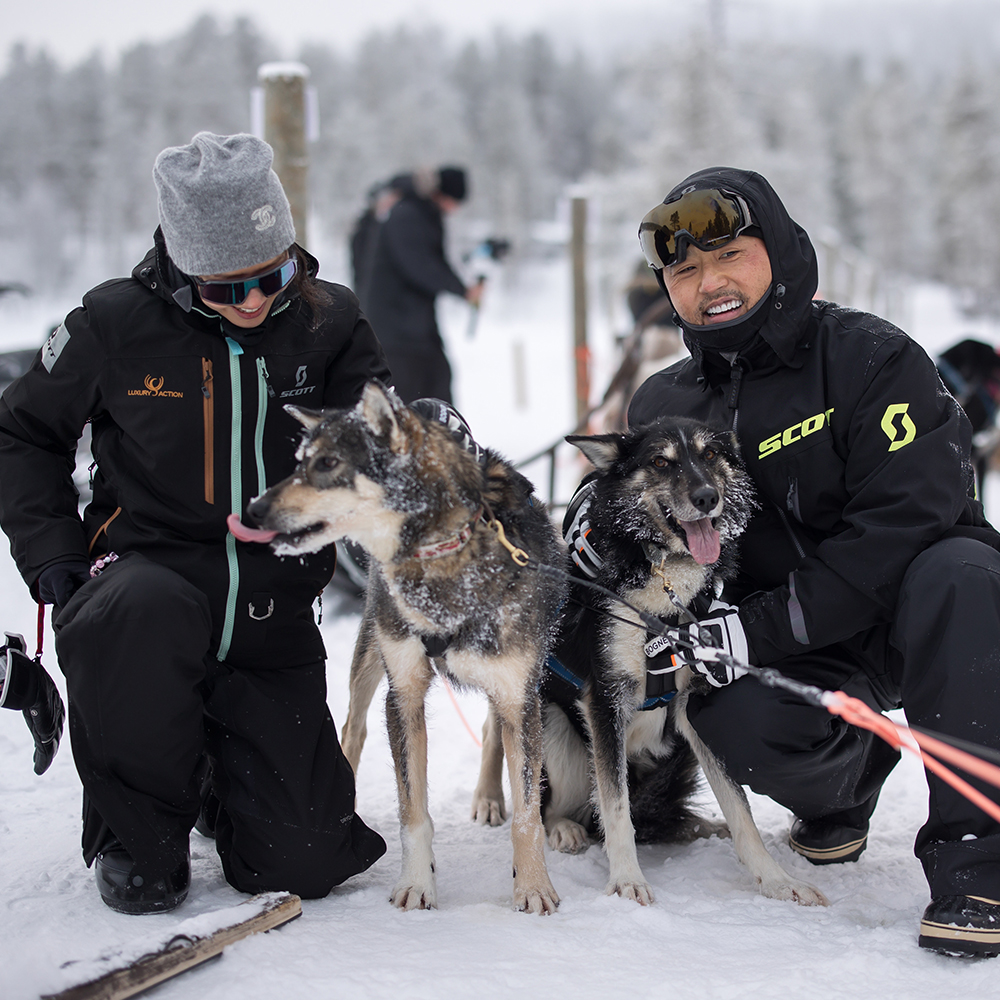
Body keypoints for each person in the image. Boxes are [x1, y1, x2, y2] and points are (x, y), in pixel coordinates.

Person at [0, 132, 389, 914]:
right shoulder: (113, 323)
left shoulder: (330, 321)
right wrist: (56, 564)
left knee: (304, 862)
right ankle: (135, 830)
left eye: (269, 279)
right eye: (222, 289)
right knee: (144, 618)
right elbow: (22, 433)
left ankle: (222, 774)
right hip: (143, 590)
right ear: (182, 271)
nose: (249, 302)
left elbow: (378, 435)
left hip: (270, 611)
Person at [628, 167, 1000, 958]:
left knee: (962, 572)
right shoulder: (662, 403)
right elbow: (646, 535)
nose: (710, 284)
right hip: (802, 643)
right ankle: (842, 791)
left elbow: (909, 522)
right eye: (685, 271)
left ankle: (980, 861)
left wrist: (758, 630)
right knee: (727, 713)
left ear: (781, 251)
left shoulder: (872, 357)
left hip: (917, 621)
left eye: (730, 256)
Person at [359, 166, 483, 404]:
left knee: (437, 384)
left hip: (414, 325)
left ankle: (441, 438)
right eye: (454, 202)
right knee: (411, 395)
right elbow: (420, 266)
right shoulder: (408, 215)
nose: (454, 210)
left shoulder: (421, 214)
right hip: (396, 327)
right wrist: (463, 290)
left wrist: (463, 288)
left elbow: (434, 263)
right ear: (443, 195)